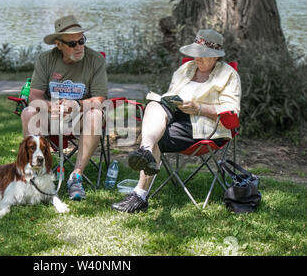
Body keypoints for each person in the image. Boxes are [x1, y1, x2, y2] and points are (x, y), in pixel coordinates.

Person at [112, 29, 241, 213]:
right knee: (154, 106)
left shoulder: (228, 75)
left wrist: (199, 108)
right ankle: (146, 150)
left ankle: (139, 195)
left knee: (159, 135)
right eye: (195, 53)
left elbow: (231, 112)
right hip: (176, 115)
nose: (197, 58)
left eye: (203, 55)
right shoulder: (186, 69)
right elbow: (170, 95)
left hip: (205, 126)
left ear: (215, 57)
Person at [21, 15, 108, 201]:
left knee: (95, 115)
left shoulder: (95, 60)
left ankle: (76, 177)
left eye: (82, 41)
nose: (79, 47)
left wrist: (76, 105)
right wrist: (48, 106)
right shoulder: (46, 60)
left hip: (80, 117)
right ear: (58, 44)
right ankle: (36, 174)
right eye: (72, 44)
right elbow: (34, 96)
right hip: (50, 117)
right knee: (28, 112)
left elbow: (100, 98)